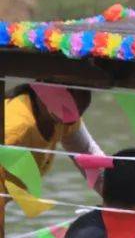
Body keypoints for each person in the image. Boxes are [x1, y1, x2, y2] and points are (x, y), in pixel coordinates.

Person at [1, 83, 104, 213]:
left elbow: (88, 155)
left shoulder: (66, 115)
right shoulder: (16, 130)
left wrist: (119, 200)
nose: (69, 123)